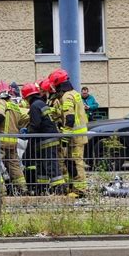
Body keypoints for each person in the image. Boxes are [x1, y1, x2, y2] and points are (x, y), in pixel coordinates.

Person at [49, 69, 88, 198]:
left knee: (76, 162)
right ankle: (74, 187)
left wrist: (65, 137)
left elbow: (69, 118)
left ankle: (80, 190)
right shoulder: (74, 93)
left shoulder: (67, 96)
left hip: (74, 136)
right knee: (72, 162)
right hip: (77, 135)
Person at [22, 82, 66, 195]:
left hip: (47, 140)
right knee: (42, 165)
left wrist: (27, 133)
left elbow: (35, 124)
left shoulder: (34, 106)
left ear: (28, 97)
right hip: (48, 138)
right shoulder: (41, 103)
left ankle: (59, 189)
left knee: (51, 165)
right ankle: (42, 188)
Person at [0, 80, 28, 195]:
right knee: (14, 166)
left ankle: (1, 191)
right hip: (12, 141)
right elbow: (23, 119)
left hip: (0, 141)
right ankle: (23, 189)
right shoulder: (14, 106)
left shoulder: (0, 102)